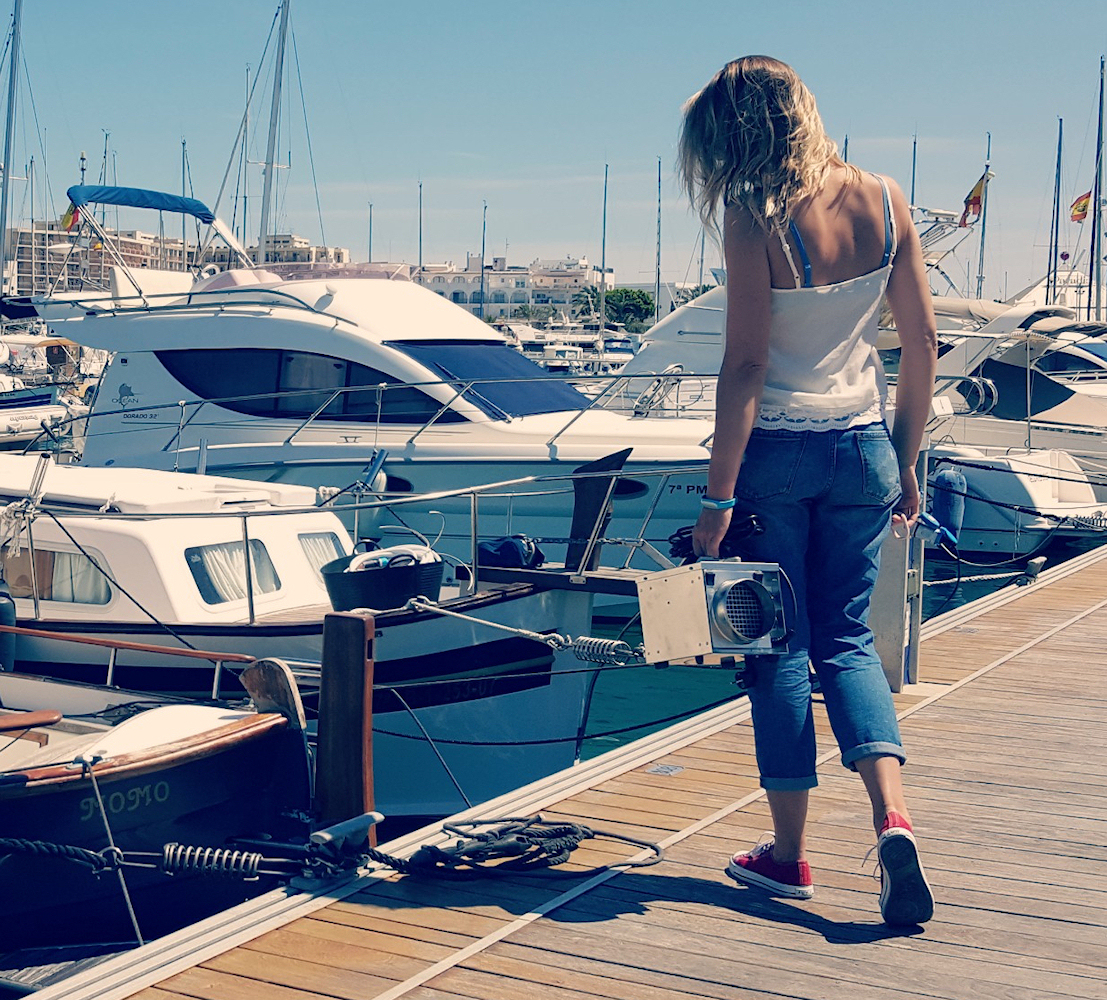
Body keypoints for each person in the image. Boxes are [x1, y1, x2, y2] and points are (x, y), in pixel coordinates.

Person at [677, 56, 938, 925]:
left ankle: (788, 857)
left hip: (776, 459)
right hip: (863, 448)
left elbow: (747, 364)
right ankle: (892, 819)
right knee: (848, 640)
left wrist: (717, 501)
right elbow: (921, 344)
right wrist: (904, 459)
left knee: (778, 652)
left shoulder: (752, 214)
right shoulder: (885, 199)